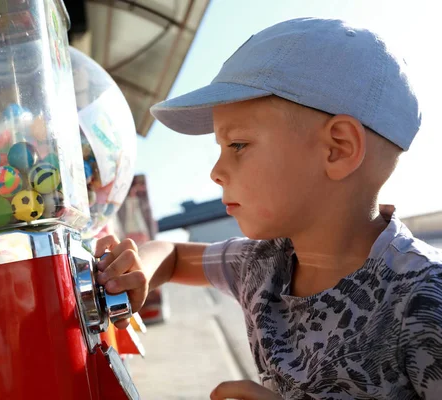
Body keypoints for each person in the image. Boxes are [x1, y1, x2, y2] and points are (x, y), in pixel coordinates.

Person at [94, 17, 442, 400]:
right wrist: (140, 269)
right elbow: (174, 255)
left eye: (238, 145)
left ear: (337, 149)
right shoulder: (262, 265)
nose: (215, 172)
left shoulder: (423, 300)